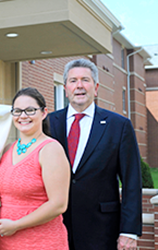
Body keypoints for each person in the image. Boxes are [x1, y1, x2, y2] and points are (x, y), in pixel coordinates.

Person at [48, 58, 142, 250]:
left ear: (96, 87)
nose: (79, 86)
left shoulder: (119, 125)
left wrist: (129, 231)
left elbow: (132, 181)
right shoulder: (49, 123)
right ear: (65, 88)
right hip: (55, 228)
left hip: (102, 230)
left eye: (85, 80)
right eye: (73, 81)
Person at [0, 87, 70, 250]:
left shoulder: (50, 149)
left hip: (41, 243)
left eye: (30, 110)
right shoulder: (7, 149)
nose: (23, 116)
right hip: (6, 243)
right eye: (17, 111)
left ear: (44, 113)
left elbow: (58, 204)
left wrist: (16, 225)